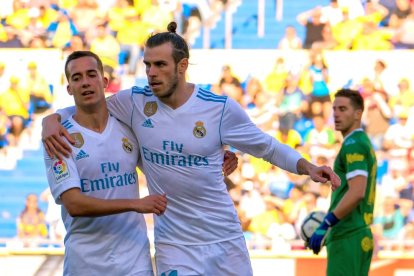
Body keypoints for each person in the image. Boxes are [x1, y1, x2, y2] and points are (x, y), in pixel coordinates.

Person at [43, 22, 340, 276]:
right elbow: (87, 105)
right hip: (174, 245)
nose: (151, 73)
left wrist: (308, 167)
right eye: (147, 65)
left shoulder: (218, 109)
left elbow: (267, 147)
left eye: (160, 65)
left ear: (182, 66)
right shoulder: (134, 103)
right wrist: (50, 120)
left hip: (224, 238)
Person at [43, 50, 168, 275]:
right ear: (69, 88)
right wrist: (135, 204)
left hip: (134, 262)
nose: (85, 83)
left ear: (105, 81)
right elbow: (74, 205)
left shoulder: (128, 125)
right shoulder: (58, 137)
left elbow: (165, 161)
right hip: (86, 265)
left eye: (91, 74)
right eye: (77, 78)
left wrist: (216, 158)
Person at [309, 89, 377, 276]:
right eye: (334, 109)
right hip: (358, 233)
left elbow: (357, 191)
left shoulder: (353, 144)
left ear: (358, 114)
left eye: (343, 109)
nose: (336, 114)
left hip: (348, 234)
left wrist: (327, 223)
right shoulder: (360, 141)